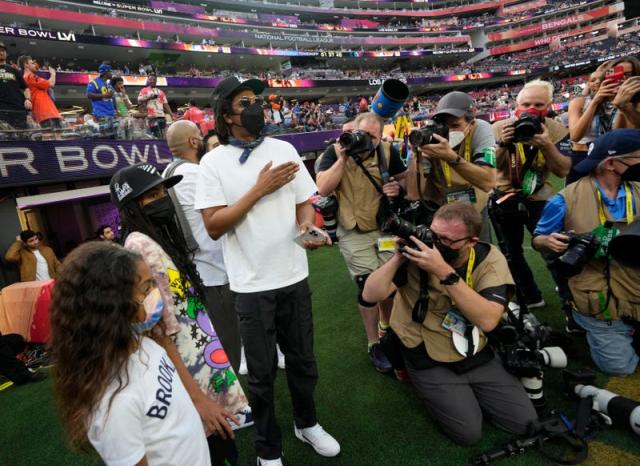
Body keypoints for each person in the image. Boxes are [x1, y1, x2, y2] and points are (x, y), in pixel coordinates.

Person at [195, 76, 340, 465]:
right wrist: (259, 189)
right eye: (246, 102)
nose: (257, 106)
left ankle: (307, 424)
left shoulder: (284, 147)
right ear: (226, 114)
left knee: (303, 361)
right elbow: (213, 225)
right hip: (251, 285)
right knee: (260, 376)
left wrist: (306, 226)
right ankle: (267, 449)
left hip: (294, 276)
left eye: (257, 99)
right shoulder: (212, 163)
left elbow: (302, 203)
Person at [363, 202, 537, 445]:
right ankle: (422, 380)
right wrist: (397, 259)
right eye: (434, 234)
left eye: (446, 240)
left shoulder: (488, 257)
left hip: (472, 342)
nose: (435, 243)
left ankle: (462, 391)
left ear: (471, 241)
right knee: (468, 434)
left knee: (524, 422)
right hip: (423, 347)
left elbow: (488, 320)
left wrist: (443, 270)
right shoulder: (416, 255)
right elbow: (370, 296)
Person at [110, 163, 248, 466]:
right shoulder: (138, 246)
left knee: (223, 448)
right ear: (132, 206)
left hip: (201, 363)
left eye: (162, 191)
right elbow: (159, 331)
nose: (162, 199)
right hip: (188, 375)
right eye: (151, 195)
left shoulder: (155, 238)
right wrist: (199, 400)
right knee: (216, 452)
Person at [49, 242, 211, 466]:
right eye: (147, 289)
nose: (156, 293)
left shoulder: (142, 342)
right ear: (111, 304)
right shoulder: (114, 404)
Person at [533, 129, 640, 375]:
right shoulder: (565, 199)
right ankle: (595, 325)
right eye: (638, 157)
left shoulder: (638, 189)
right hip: (597, 299)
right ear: (612, 163)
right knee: (621, 368)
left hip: (635, 285)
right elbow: (538, 239)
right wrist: (549, 241)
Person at [316, 111, 406, 373]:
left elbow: (407, 185)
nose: (366, 140)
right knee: (368, 286)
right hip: (353, 229)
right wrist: (343, 157)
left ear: (380, 136)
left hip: (385, 228)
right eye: (362, 134)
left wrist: (397, 189)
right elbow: (322, 188)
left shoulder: (389, 152)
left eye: (372, 137)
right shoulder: (335, 152)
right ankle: (373, 343)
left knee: (387, 284)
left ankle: (386, 326)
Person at [164, 120, 241, 372]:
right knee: (229, 347)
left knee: (211, 345)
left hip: (193, 272)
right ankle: (235, 405)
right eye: (199, 136)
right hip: (216, 273)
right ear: (193, 142)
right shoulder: (197, 173)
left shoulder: (167, 175)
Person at [493, 79, 571, 310]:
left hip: (540, 196)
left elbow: (563, 169)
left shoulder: (555, 129)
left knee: (552, 248)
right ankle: (530, 296)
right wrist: (501, 144)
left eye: (538, 104)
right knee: (511, 252)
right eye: (526, 103)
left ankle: (569, 298)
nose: (531, 110)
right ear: (516, 105)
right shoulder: (500, 127)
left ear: (549, 106)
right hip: (505, 195)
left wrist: (546, 144)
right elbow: (488, 167)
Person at [406, 91, 497, 241]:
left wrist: (450, 157)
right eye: (445, 126)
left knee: (479, 255)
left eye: (455, 125)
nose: (449, 132)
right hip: (440, 211)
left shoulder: (480, 129)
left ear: (471, 123)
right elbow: (414, 194)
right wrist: (418, 157)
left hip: (474, 209)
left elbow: (488, 182)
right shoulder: (432, 136)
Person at [568, 69, 618, 185]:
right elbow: (575, 136)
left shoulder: (619, 101)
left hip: (611, 155)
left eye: (600, 79)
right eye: (592, 80)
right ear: (589, 85)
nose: (596, 82)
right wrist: (595, 101)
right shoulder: (580, 102)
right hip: (583, 156)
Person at [18, 56, 62, 132]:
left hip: (44, 113)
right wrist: (53, 73)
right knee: (53, 137)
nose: (35, 65)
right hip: (46, 113)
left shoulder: (26, 77)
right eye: (32, 63)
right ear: (26, 64)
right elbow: (51, 83)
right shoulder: (30, 76)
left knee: (50, 138)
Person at [0, 41, 31, 130]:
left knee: (23, 137)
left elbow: (26, 88)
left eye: (3, 50)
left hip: (18, 109)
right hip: (1, 110)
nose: (1, 52)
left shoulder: (14, 70)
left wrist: (28, 99)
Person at [610, 56, 640, 130]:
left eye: (627, 74)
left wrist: (625, 106)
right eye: (617, 74)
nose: (622, 79)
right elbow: (616, 133)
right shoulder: (610, 98)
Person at [138, 74, 172, 138]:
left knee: (163, 136)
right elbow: (139, 100)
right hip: (151, 117)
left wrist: (171, 115)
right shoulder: (144, 90)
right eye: (150, 79)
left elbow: (165, 104)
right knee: (154, 135)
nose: (152, 81)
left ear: (156, 80)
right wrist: (149, 97)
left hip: (161, 117)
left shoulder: (161, 92)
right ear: (148, 80)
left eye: (154, 79)